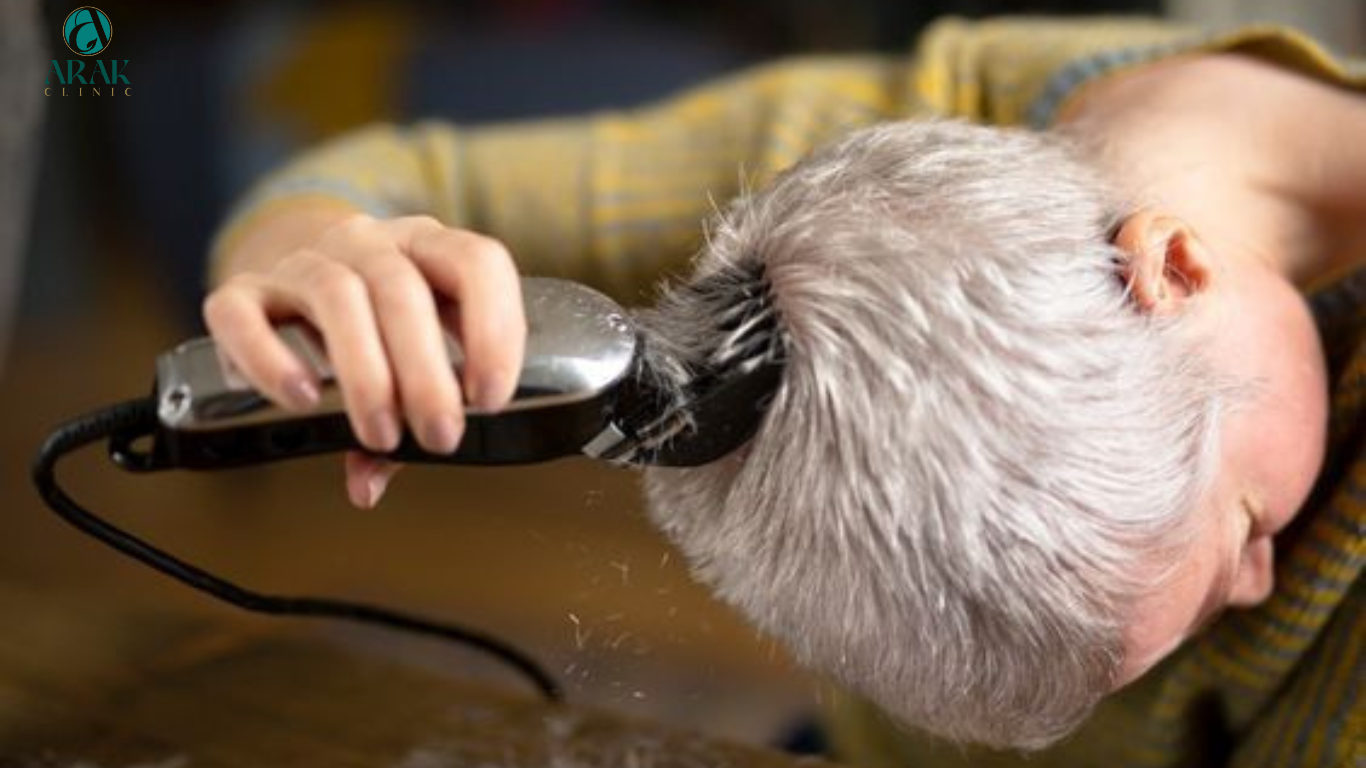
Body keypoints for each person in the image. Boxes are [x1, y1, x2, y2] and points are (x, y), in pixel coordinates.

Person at [203, 17, 1363, 767]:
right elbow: (390, 176)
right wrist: (317, 272)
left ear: (1177, 273)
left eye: (1245, 522)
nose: (1261, 577)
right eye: (1242, 529)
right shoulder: (860, 191)